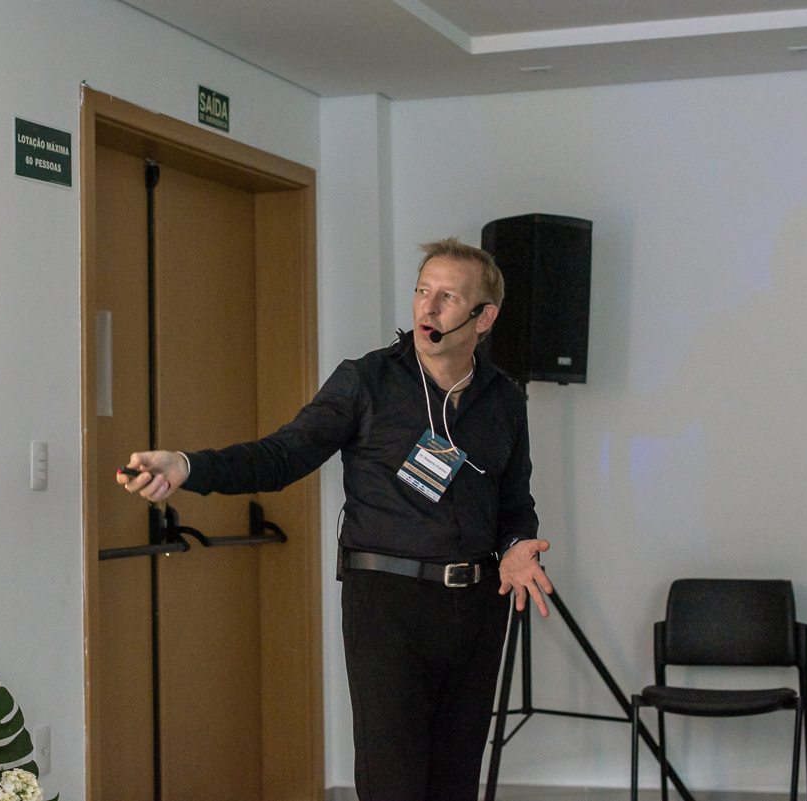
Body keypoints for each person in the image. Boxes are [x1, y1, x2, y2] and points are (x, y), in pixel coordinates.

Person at [118, 237, 552, 801]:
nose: (428, 308)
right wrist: (187, 466)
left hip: (475, 607)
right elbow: (282, 455)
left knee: (454, 781)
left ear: (483, 316)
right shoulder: (366, 381)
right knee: (392, 779)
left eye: (447, 297)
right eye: (423, 291)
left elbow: (514, 500)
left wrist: (518, 544)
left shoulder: (502, 398)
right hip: (386, 604)